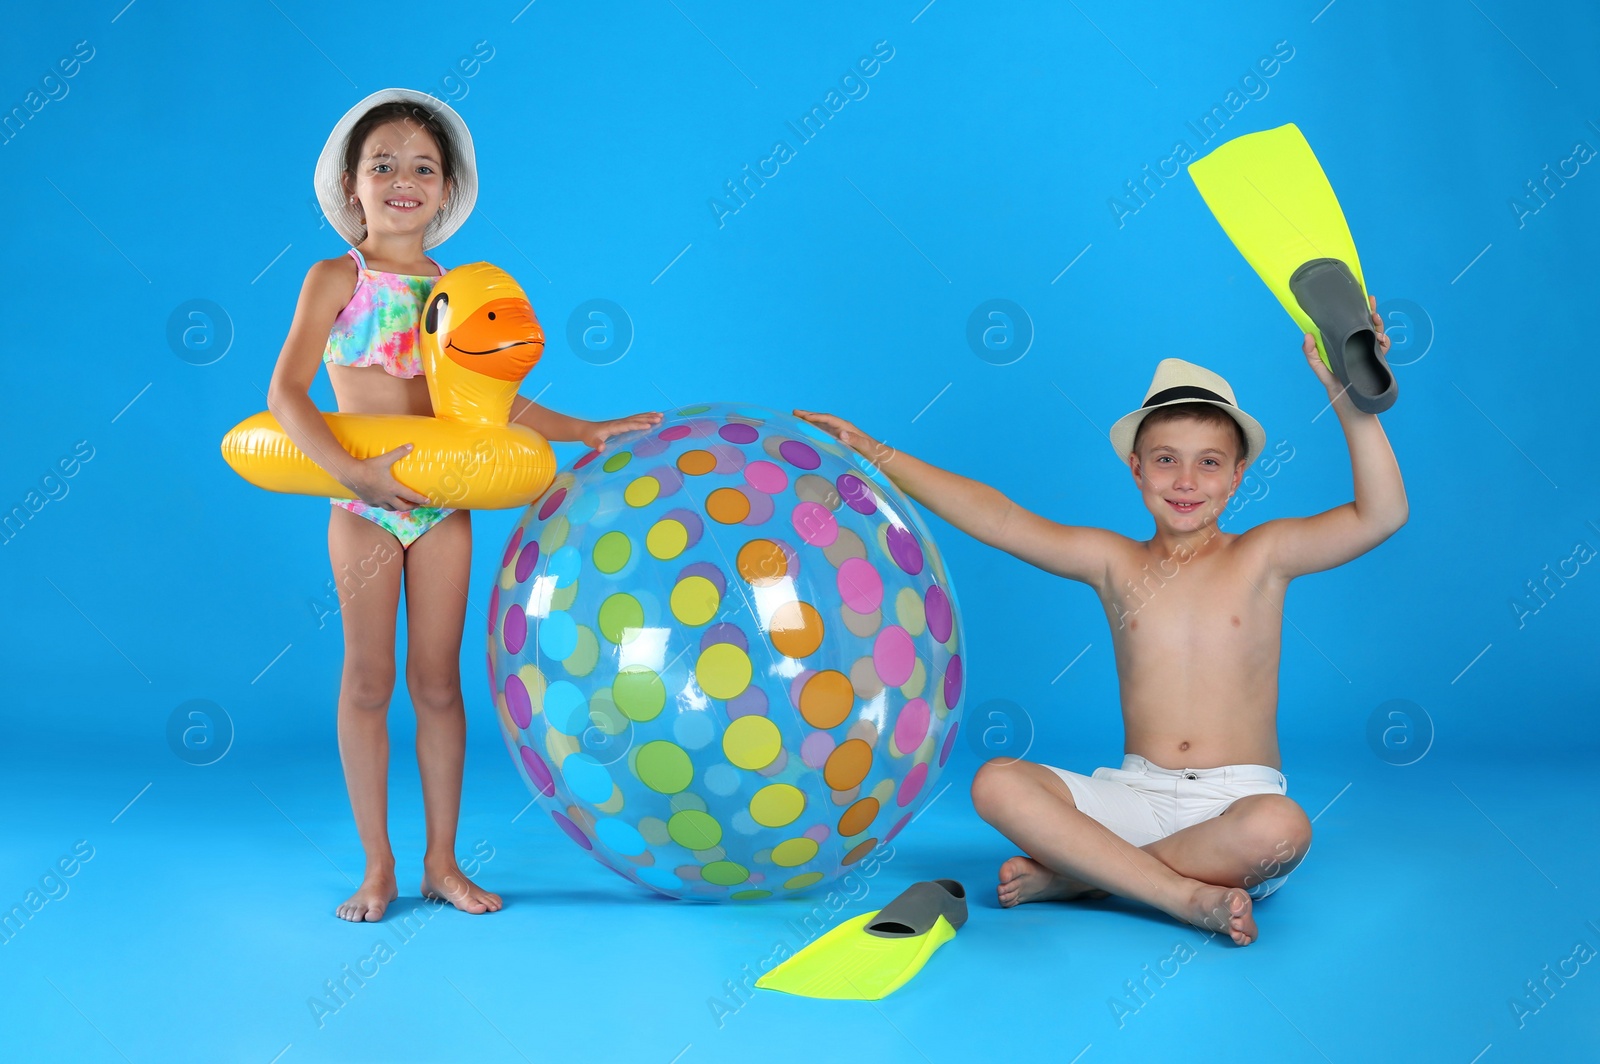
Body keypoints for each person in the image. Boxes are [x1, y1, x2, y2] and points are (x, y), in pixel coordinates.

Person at [795, 316, 1407, 946]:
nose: (1186, 482)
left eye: (1209, 463)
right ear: (1137, 469)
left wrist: (1350, 397)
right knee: (996, 782)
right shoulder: (1117, 563)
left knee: (1282, 829)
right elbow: (1003, 519)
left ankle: (1083, 875)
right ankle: (1179, 892)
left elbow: (1381, 513)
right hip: (1133, 795)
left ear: (1238, 475)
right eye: (1166, 461)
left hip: (1234, 802)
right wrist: (881, 455)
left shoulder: (1264, 556)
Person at [267, 89, 661, 922]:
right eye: (383, 166)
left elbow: (492, 407)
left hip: (442, 509)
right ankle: (377, 866)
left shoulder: (462, 291)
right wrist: (355, 475)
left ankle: (441, 862)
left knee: (439, 685)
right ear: (352, 181)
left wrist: (584, 427)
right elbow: (286, 395)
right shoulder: (336, 277)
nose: (402, 182)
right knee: (370, 681)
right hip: (363, 503)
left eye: (422, 169)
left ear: (447, 191)